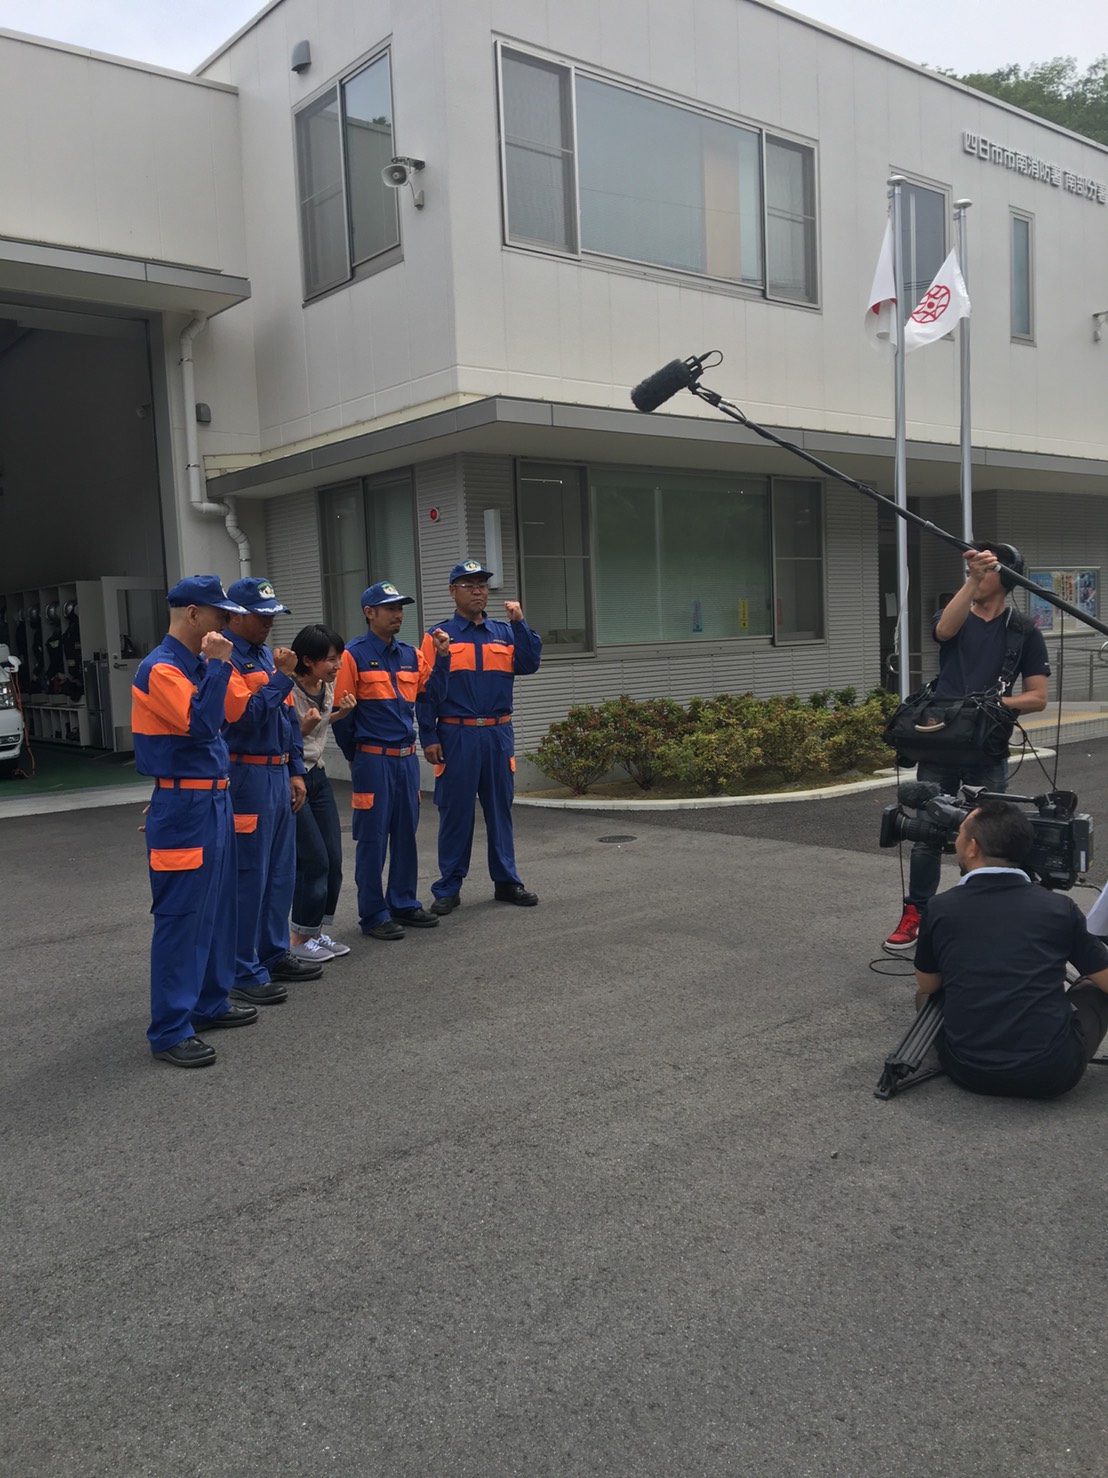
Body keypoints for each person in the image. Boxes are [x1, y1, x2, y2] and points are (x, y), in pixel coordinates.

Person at [885, 542, 1050, 951]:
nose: (975, 576)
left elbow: (1037, 697)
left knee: (989, 834)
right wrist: (973, 577)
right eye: (972, 569)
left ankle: (980, 913)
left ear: (1007, 578)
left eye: (985, 569)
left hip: (985, 744)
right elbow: (943, 631)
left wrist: (993, 705)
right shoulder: (956, 611)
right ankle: (917, 913)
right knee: (927, 830)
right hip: (940, 740)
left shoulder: (1023, 629)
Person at [131, 576, 259, 1068]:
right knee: (182, 916)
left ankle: (209, 1001)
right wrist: (221, 662)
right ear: (192, 615)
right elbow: (202, 725)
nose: (228, 622)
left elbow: (229, 715)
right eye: (219, 614)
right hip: (184, 806)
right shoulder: (161, 668)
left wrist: (221, 668)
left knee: (217, 908)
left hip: (211, 799)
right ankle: (168, 1029)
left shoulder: (195, 666)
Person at [913, 800, 1108, 1099]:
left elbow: (928, 984)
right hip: (1053, 1074)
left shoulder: (940, 907)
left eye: (960, 833)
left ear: (972, 847)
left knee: (927, 994)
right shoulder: (1058, 908)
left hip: (966, 1070)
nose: (956, 840)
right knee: (1092, 986)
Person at [416, 559, 543, 916]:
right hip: (456, 733)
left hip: (498, 732)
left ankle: (506, 881)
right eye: (468, 584)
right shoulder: (438, 636)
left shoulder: (504, 632)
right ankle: (448, 887)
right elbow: (424, 691)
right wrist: (428, 735)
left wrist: (520, 623)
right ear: (452, 590)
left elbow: (530, 663)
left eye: (482, 585)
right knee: (455, 811)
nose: (477, 590)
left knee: (500, 810)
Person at [331, 582, 451, 940]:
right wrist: (356, 757)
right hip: (372, 759)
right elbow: (342, 714)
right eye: (389, 608)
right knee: (371, 838)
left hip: (404, 759)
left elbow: (435, 695)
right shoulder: (352, 655)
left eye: (400, 607)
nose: (398, 614)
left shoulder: (412, 655)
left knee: (404, 834)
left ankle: (402, 901)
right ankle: (373, 913)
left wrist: (442, 659)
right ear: (369, 612)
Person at [222, 576, 320, 1002]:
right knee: (250, 876)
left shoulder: (263, 655)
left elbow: (284, 720)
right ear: (235, 614)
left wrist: (296, 769)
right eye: (260, 615)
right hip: (247, 776)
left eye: (272, 615)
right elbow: (244, 719)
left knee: (280, 873)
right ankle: (243, 970)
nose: (268, 623)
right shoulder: (225, 659)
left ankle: (272, 952)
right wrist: (281, 676)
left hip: (279, 773)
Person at [288, 623, 356, 964]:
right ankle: (298, 937)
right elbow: (281, 737)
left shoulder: (324, 687)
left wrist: (340, 713)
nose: (336, 665)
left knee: (333, 858)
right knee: (312, 860)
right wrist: (302, 729)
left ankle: (315, 932)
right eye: (329, 659)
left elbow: (320, 723)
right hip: (293, 778)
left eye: (338, 657)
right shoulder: (287, 690)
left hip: (318, 777)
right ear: (307, 660)